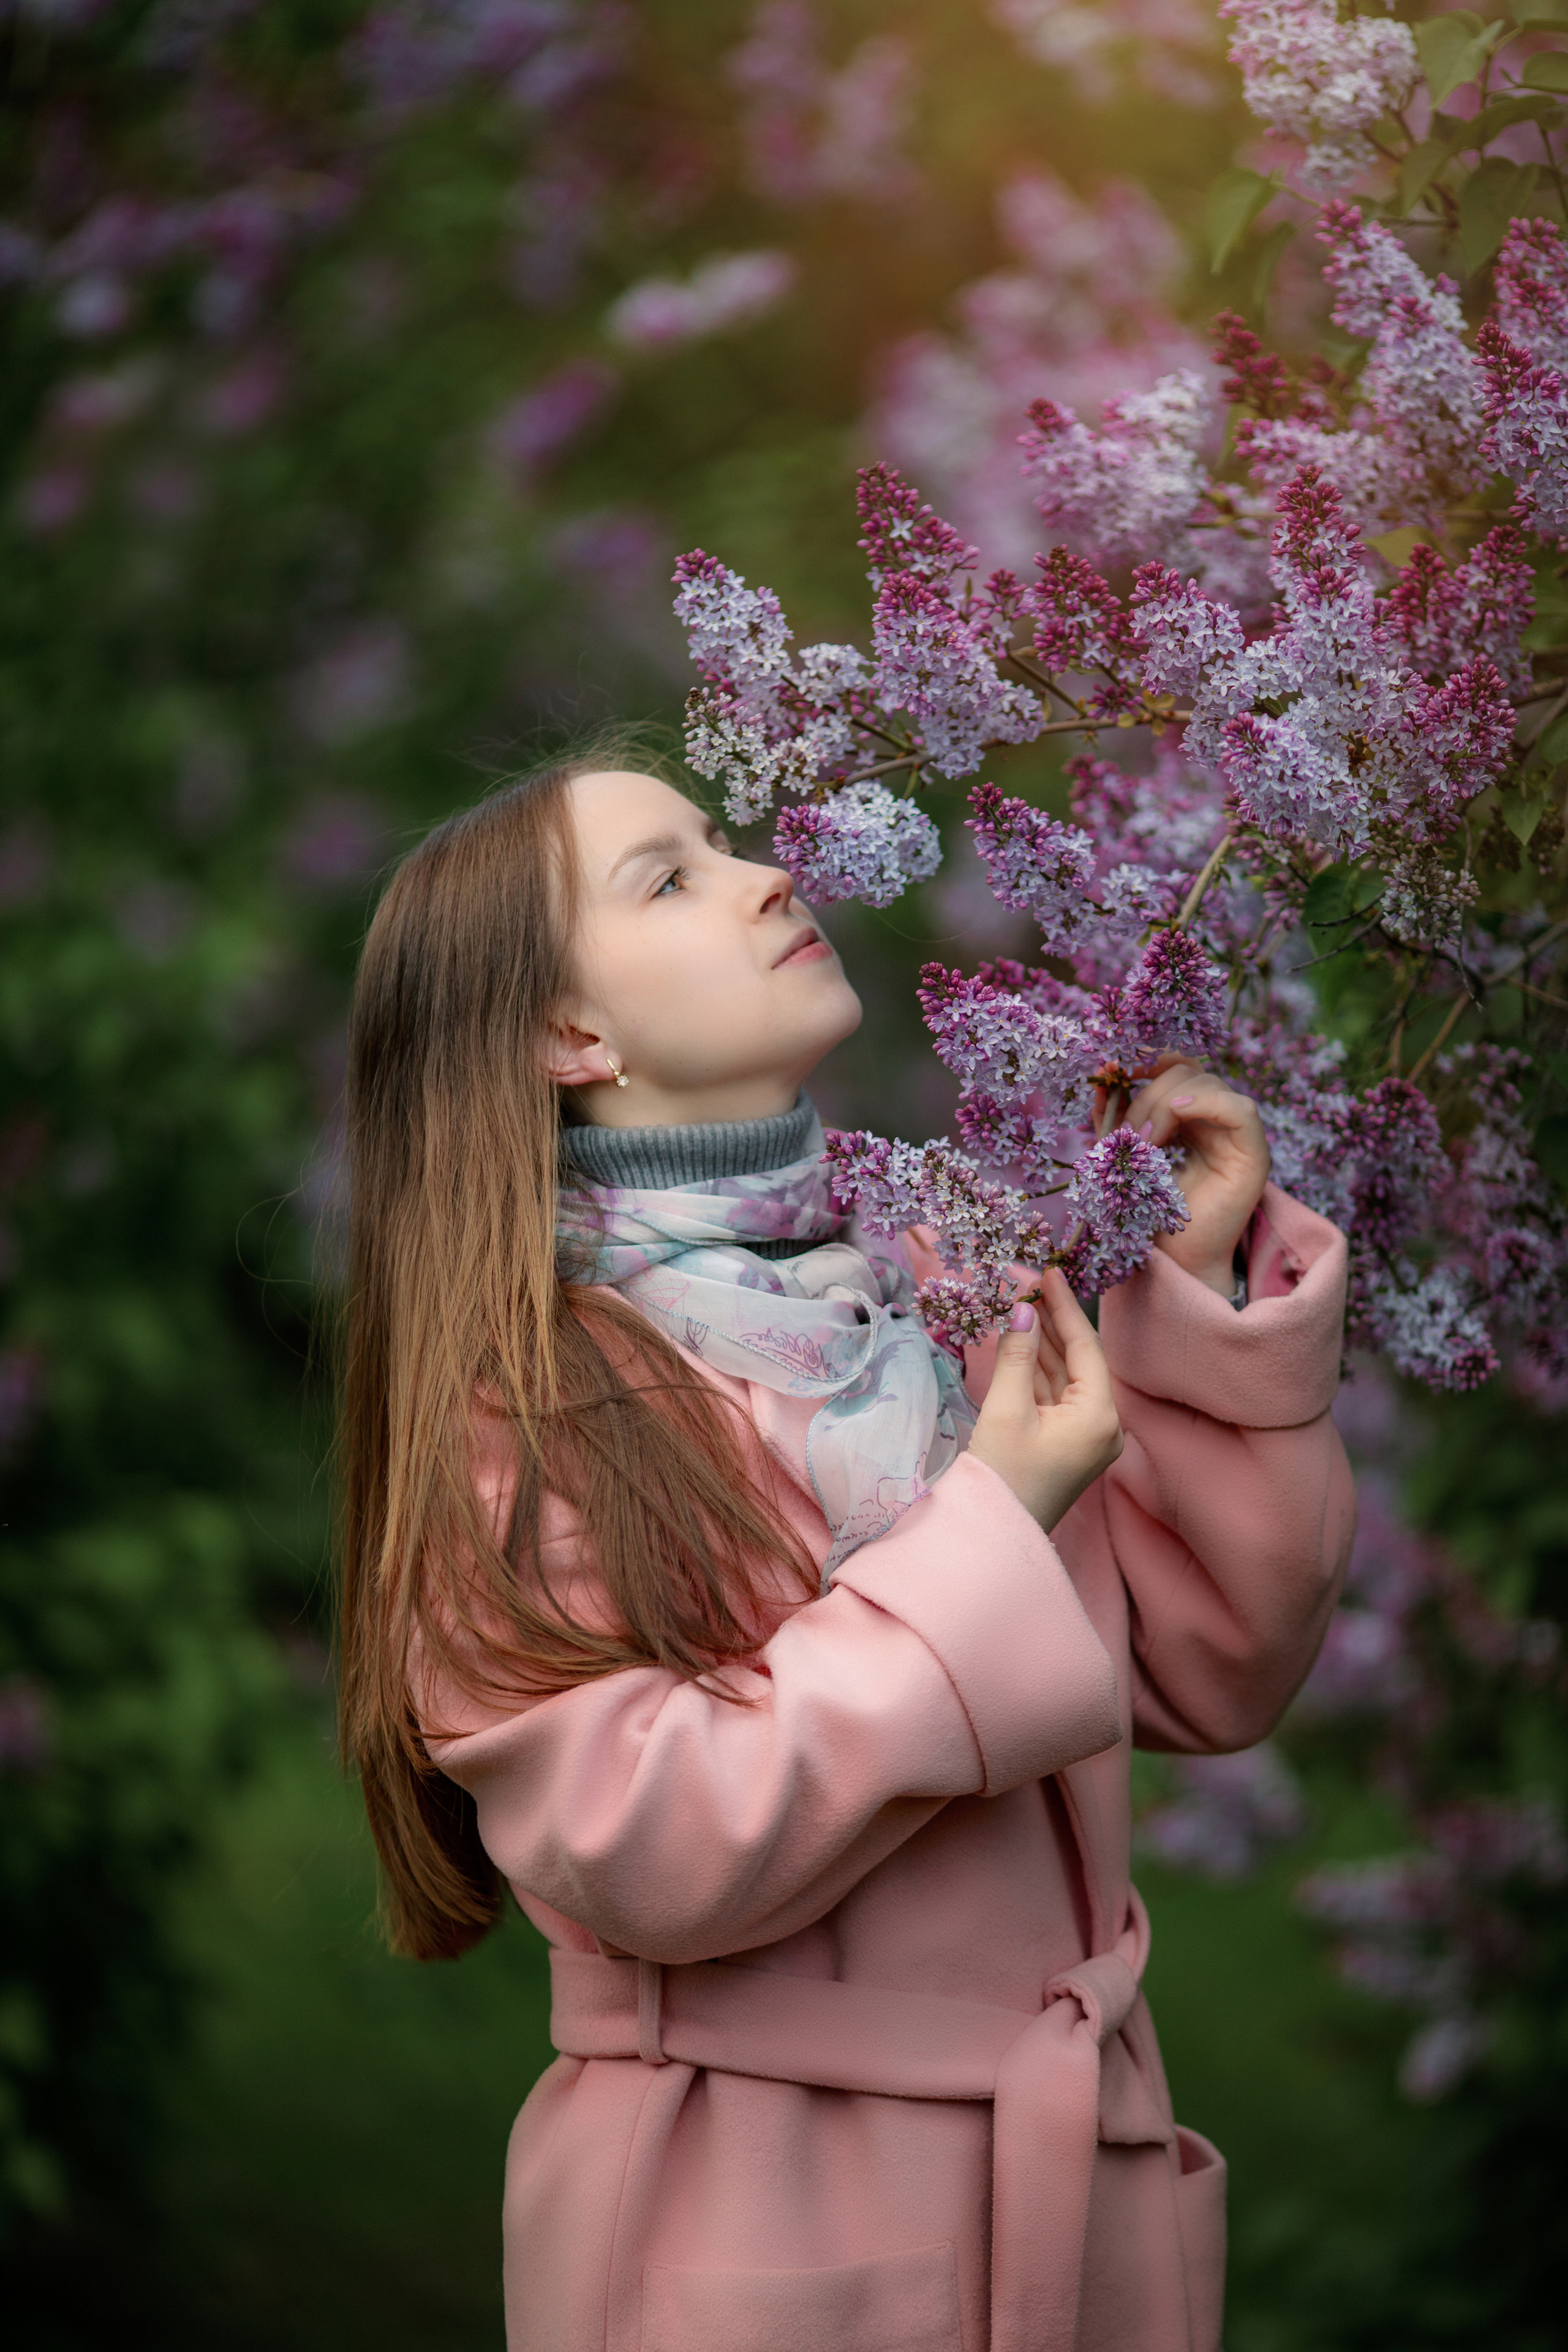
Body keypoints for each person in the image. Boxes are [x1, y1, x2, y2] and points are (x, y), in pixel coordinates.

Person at [337, 745, 1355, 2352]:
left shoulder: (927, 1286)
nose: (769, 873)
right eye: (668, 877)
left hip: (1076, 2198)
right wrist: (993, 1520)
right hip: (751, 2210)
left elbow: (1209, 1662)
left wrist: (1205, 1292)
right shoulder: (525, 1393)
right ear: (569, 1035)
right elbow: (645, 1834)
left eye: (725, 839)